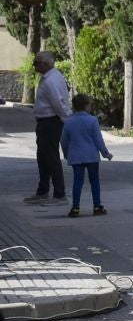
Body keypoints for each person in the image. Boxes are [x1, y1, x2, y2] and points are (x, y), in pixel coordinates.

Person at [24, 50, 71, 205]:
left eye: (36, 63)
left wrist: (66, 120)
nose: (34, 66)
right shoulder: (52, 77)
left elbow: (58, 103)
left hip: (50, 122)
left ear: (44, 64)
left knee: (50, 157)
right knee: (43, 157)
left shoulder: (51, 80)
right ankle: (43, 191)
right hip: (46, 121)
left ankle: (59, 194)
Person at [59, 93, 111, 217]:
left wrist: (66, 154)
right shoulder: (92, 120)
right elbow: (98, 140)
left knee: (77, 181)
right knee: (94, 181)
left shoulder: (68, 122)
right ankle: (97, 206)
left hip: (76, 156)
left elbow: (64, 140)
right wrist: (106, 153)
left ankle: (75, 208)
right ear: (87, 106)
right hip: (91, 155)